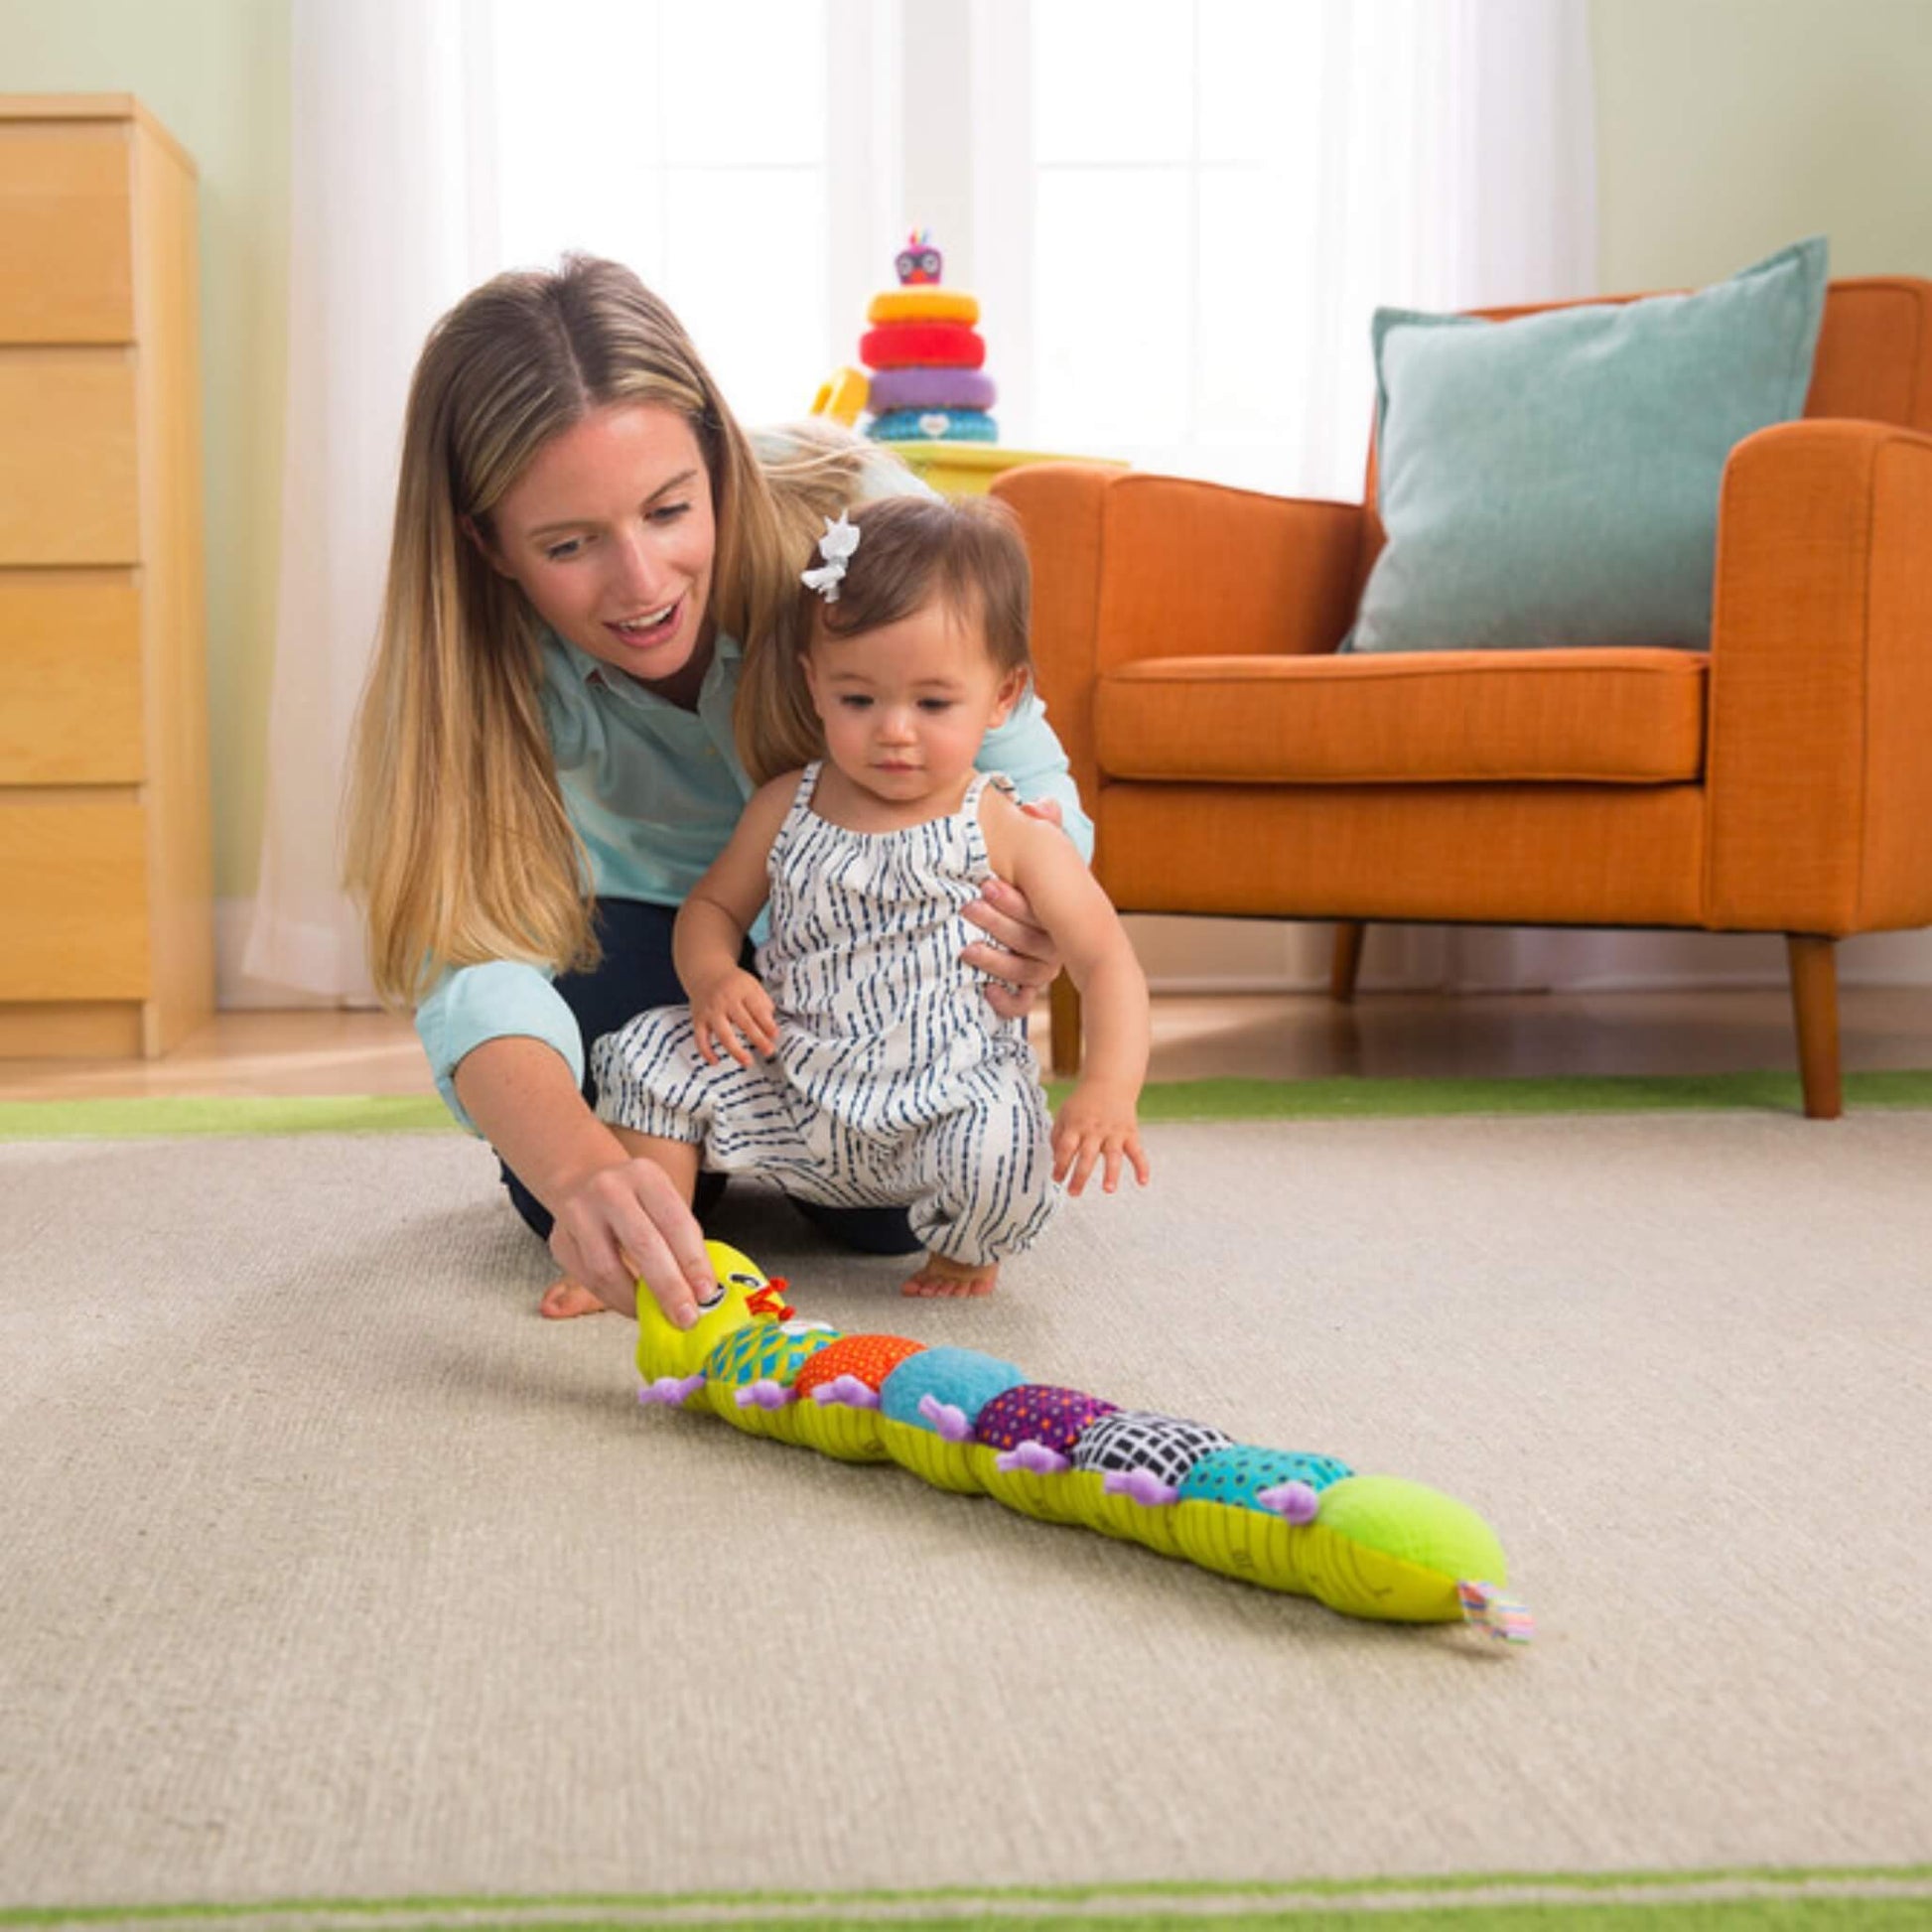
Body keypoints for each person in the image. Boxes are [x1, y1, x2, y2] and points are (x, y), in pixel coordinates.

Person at [343, 257, 1093, 1331]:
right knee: (560, 1177)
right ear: (487, 544)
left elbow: (1027, 781)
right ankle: (699, 1152)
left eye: (666, 509)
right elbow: (473, 959)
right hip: (647, 950)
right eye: (568, 544)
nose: (641, 584)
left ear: (714, 451)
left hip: (873, 944)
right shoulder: (466, 677)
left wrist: (1034, 922)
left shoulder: (862, 533)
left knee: (890, 1217)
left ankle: (780, 1155)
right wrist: (579, 1173)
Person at [588, 494, 1151, 1301]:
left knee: (1003, 1145)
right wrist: (714, 976)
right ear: (814, 685)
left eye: (932, 703)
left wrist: (1107, 1088)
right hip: (791, 1080)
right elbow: (712, 910)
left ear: (1001, 696)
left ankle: (964, 1250)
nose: (894, 730)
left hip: (940, 1098)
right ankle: (656, 1244)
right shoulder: (785, 803)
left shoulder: (1011, 830)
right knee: (652, 1055)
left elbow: (1106, 964)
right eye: (859, 700)